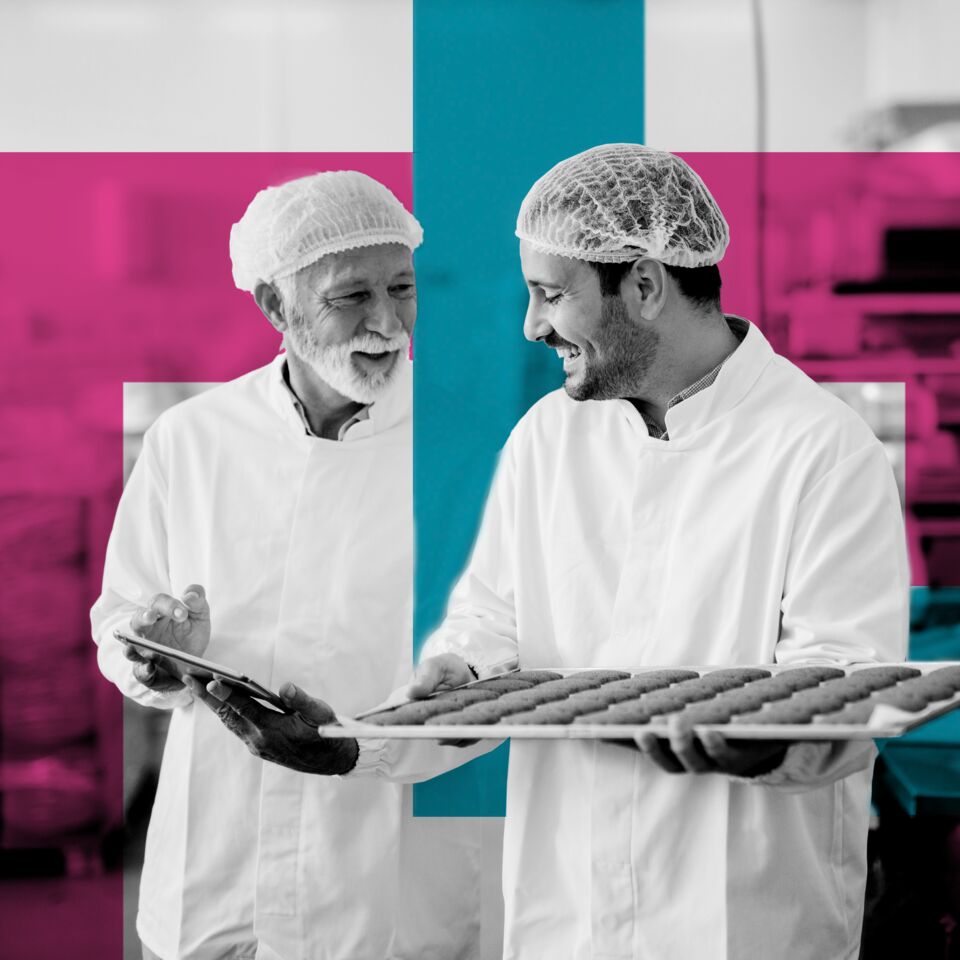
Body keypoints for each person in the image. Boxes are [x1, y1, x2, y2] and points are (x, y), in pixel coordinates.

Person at [202, 146, 909, 960]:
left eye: (550, 294)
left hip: (740, 929)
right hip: (566, 920)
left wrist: (765, 736)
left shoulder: (822, 451)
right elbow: (491, 633)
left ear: (644, 287)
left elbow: (848, 692)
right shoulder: (548, 438)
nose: (531, 327)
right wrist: (392, 721)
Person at [91, 170, 488, 960]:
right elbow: (118, 617)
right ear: (276, 305)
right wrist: (154, 655)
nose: (387, 322)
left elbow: (506, 671)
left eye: (402, 289)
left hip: (389, 893)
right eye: (352, 296)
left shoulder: (476, 452)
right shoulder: (193, 440)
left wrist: (360, 749)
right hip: (216, 878)